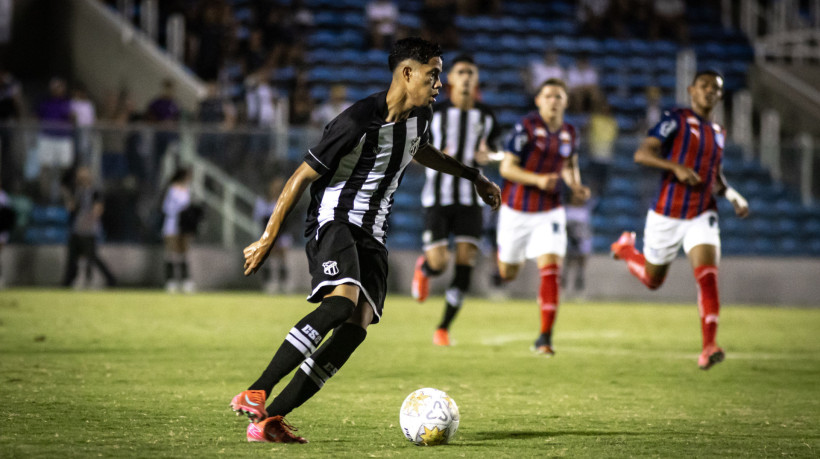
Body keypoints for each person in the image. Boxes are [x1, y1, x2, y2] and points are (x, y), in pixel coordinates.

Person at [229, 37, 500, 444]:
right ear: (407, 73)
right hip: (334, 220)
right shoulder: (355, 121)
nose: (439, 83)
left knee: (356, 328)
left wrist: (474, 176)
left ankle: (269, 420)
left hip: (373, 233)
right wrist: (268, 237)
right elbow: (301, 176)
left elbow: (421, 151)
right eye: (433, 74)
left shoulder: (421, 116)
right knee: (341, 304)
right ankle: (258, 390)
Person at [610, 70, 749, 370]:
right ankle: (625, 251)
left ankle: (708, 346)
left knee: (708, 278)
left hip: (703, 212)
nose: (710, 91)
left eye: (716, 88)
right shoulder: (676, 119)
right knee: (652, 280)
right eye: (704, 86)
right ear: (691, 90)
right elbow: (642, 154)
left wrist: (734, 196)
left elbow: (715, 175)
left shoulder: (719, 132)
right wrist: (675, 167)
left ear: (720, 95)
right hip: (667, 213)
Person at [496, 78, 591, 357]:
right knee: (507, 273)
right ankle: (503, 258)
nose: (553, 101)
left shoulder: (570, 132)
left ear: (566, 102)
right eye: (548, 96)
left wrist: (576, 186)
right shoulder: (526, 127)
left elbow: (570, 164)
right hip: (516, 210)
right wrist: (538, 180)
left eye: (558, 96)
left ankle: (545, 337)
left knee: (551, 270)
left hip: (550, 211)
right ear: (538, 100)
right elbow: (506, 168)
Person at [410, 54, 500, 346]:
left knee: (466, 262)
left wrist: (491, 156)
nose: (466, 77)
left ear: (476, 80)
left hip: (471, 200)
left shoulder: (486, 116)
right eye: (461, 72)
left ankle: (443, 327)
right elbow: (413, 150)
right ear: (450, 79)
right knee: (440, 263)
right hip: (438, 197)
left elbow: (497, 152)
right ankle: (425, 269)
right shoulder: (434, 111)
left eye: (471, 73)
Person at [61, 166, 117, 289]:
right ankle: (67, 282)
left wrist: (90, 216)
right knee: (72, 257)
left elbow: (98, 209)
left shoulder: (95, 192)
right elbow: (71, 207)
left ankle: (110, 279)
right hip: (77, 229)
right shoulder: (77, 191)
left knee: (92, 257)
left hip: (89, 230)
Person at [252, 176, 293, 294]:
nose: (276, 189)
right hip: (268, 232)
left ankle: (284, 282)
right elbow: (259, 218)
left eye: (279, 187)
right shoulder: (262, 201)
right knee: (269, 255)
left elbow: (287, 217)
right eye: (274, 186)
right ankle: (268, 282)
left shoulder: (285, 198)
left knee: (283, 255)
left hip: (282, 231)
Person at [161, 167, 195, 293]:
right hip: (171, 225)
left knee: (184, 254)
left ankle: (185, 281)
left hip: (183, 226)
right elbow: (166, 208)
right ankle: (171, 281)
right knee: (171, 254)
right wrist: (179, 211)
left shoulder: (186, 190)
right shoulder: (171, 189)